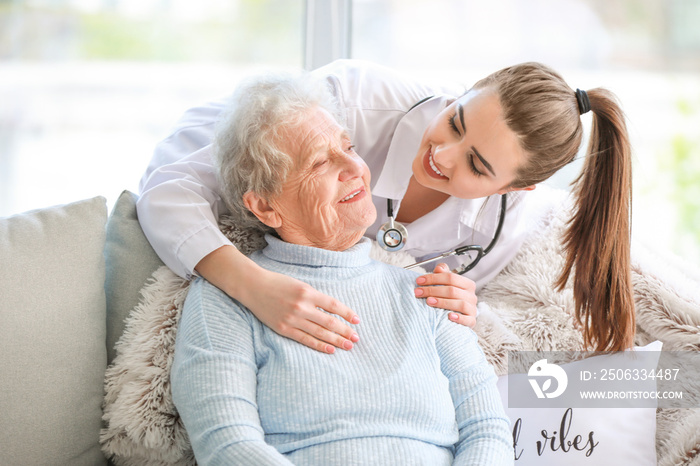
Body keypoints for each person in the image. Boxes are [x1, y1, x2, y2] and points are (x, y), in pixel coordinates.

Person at [139, 59, 634, 352]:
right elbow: (167, 187)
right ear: (462, 94)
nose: (440, 156)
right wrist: (254, 286)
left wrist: (466, 306)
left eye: (477, 167)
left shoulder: (501, 230)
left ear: (513, 190)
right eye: (456, 122)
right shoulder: (352, 101)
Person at [170, 73, 513, 465]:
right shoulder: (226, 296)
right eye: (319, 162)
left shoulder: (426, 292)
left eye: (348, 146)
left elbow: (487, 429)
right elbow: (227, 446)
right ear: (265, 207)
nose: (355, 167)